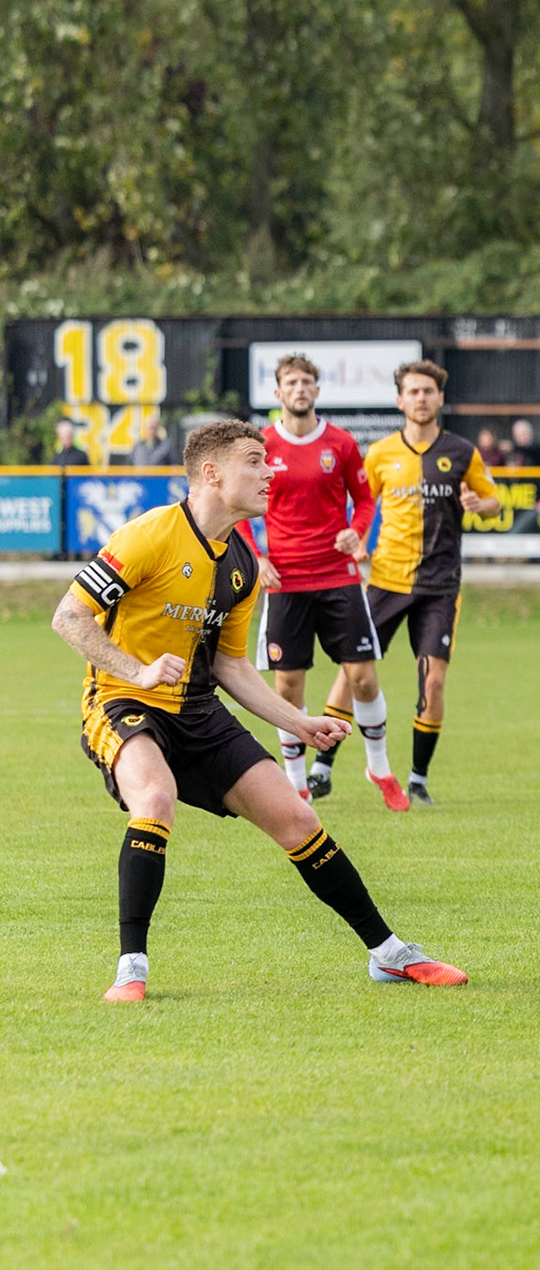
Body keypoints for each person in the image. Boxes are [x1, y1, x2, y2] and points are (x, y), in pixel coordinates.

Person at [51, 419, 466, 1002]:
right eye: (255, 460)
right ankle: (131, 969)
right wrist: (136, 670)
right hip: (121, 699)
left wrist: (299, 723)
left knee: (298, 819)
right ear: (212, 473)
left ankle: (388, 954)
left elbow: (231, 667)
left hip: (197, 709)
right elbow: (69, 617)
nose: (271, 471)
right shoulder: (146, 535)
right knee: (155, 797)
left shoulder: (242, 564)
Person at [314, 361, 500, 805]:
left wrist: (480, 504)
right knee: (352, 670)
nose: (421, 398)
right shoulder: (379, 454)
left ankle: (418, 779)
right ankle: (322, 766)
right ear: (400, 400)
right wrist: (356, 541)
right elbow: (360, 505)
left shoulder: (461, 452)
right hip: (385, 581)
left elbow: (493, 502)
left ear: (440, 399)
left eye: (428, 391)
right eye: (413, 391)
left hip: (439, 586)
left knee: (433, 682)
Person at [255, 354, 407, 812]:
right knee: (287, 689)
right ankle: (297, 786)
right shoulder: (261, 445)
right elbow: (241, 508)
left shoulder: (339, 443)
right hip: (285, 580)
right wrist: (256, 556)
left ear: (317, 391)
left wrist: (356, 532)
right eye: (290, 382)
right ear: (278, 393)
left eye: (306, 381)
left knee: (362, 678)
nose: (299, 388)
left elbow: (364, 500)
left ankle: (378, 766)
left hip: (337, 576)